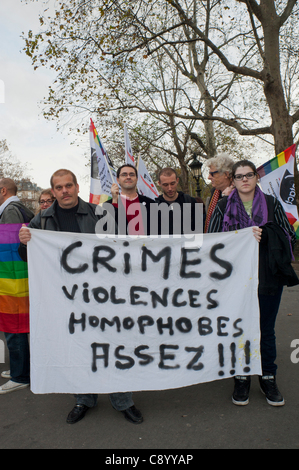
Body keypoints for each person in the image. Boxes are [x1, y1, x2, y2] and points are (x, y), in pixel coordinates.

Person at [18, 169, 143, 425]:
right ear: (53, 191)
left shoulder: (101, 214)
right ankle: (83, 399)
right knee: (76, 349)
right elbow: (27, 257)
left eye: (68, 186)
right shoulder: (40, 221)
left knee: (112, 345)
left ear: (76, 187)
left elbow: (122, 250)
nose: (64, 191)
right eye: (58, 187)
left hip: (103, 295)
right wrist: (24, 243)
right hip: (65, 298)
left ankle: (123, 401)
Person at [208, 160, 298, 407]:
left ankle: (268, 376)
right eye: (239, 176)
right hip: (235, 280)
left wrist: (265, 233)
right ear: (233, 180)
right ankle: (241, 376)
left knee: (265, 330)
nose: (244, 180)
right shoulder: (224, 205)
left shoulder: (271, 203)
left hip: (268, 276)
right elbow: (213, 241)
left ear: (256, 178)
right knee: (239, 329)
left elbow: (289, 235)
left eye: (249, 175)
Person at [0, 177, 34, 394]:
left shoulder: (10, 211)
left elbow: (11, 252)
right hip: (16, 278)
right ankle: (19, 367)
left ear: (3, 190)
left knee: (14, 328)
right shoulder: (18, 208)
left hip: (13, 280)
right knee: (15, 327)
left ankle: (20, 375)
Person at [106, 164, 154, 235]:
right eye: (124, 175)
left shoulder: (151, 203)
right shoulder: (107, 205)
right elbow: (108, 229)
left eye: (132, 175)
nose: (128, 177)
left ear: (137, 179)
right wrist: (115, 201)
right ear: (118, 180)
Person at [156, 167, 200, 235]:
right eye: (165, 185)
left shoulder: (190, 202)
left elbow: (199, 229)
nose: (170, 188)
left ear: (177, 180)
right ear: (159, 184)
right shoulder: (155, 207)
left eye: (172, 184)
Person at [204, 153, 234, 232]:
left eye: (212, 174)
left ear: (226, 174)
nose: (209, 177)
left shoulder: (240, 192)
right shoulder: (214, 193)